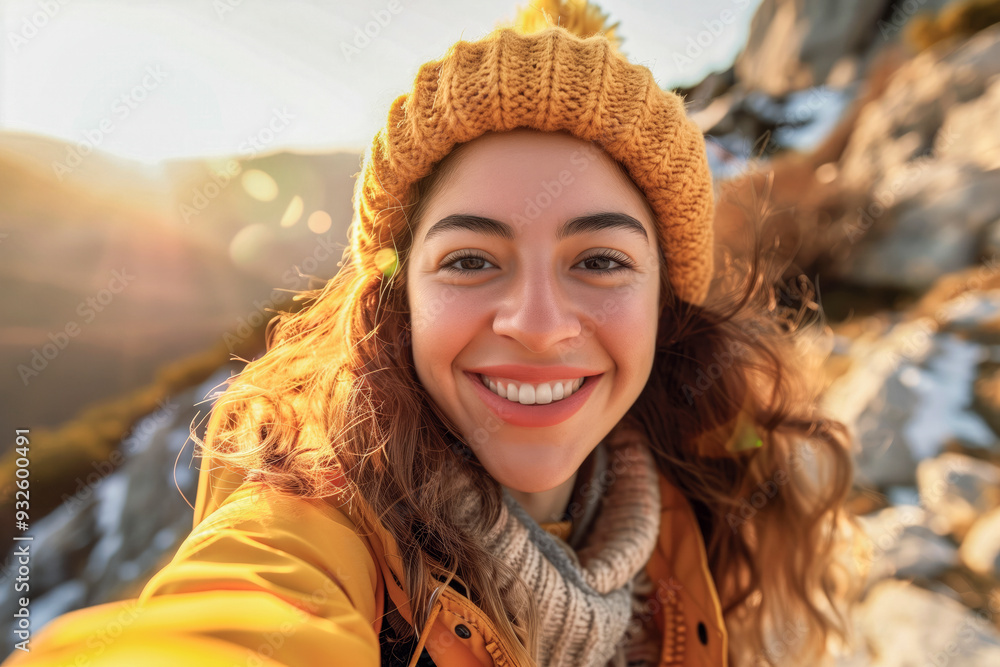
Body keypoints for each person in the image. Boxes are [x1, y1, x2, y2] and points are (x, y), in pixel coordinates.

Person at [8, 24, 864, 667]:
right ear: (398, 297)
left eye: (600, 260)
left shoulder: (704, 491)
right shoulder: (313, 517)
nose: (535, 322)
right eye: (470, 259)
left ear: (665, 302)